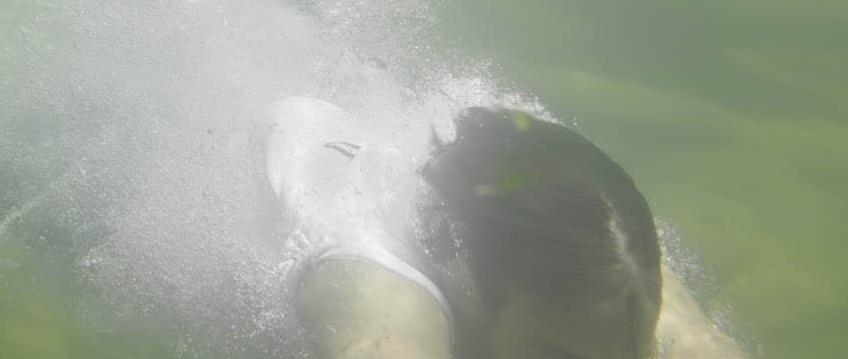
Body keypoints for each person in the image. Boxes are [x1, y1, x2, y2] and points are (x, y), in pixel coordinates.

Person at [264, 97, 748, 359]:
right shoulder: (384, 300)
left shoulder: (612, 277)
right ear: (466, 293)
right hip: (295, 131)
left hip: (494, 163)